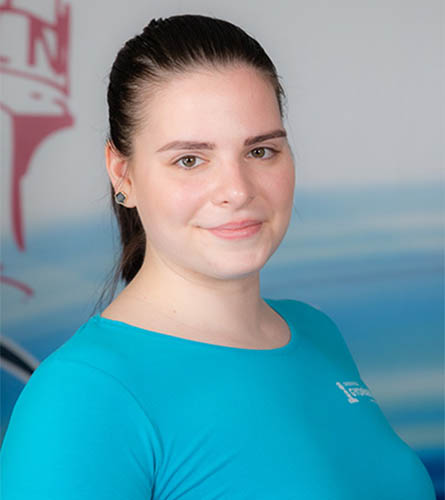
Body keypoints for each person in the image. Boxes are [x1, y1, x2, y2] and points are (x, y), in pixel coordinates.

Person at [0, 14, 436, 500]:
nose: (237, 190)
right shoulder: (81, 396)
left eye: (260, 151)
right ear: (123, 174)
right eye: (190, 159)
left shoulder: (316, 331)